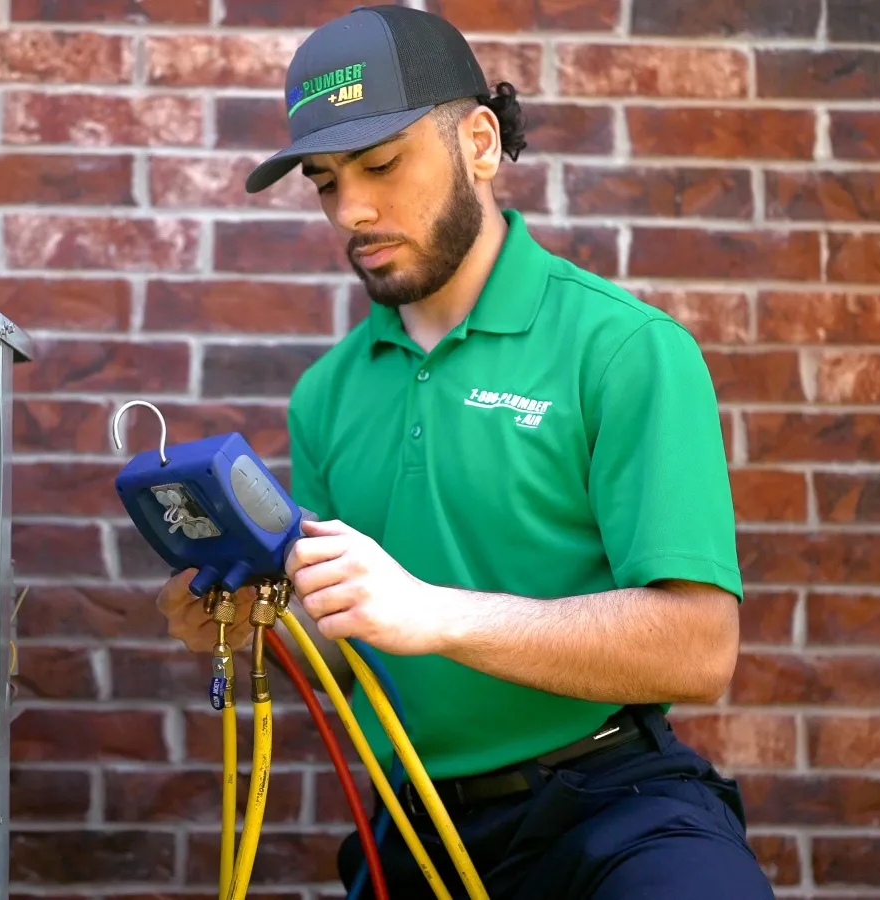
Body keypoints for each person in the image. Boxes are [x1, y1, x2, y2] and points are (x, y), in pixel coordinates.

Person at [154, 5, 775, 898]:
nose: (352, 210)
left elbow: (699, 647)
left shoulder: (625, 348)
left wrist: (436, 613)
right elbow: (349, 648)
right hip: (415, 823)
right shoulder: (326, 394)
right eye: (326, 181)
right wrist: (258, 627)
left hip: (611, 802)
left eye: (380, 164)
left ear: (480, 142)